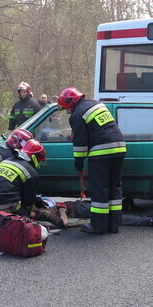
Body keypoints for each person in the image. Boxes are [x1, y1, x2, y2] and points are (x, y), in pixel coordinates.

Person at [58, 87, 126, 234]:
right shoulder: (97, 104)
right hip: (119, 147)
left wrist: (78, 165)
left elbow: (80, 145)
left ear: (70, 103)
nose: (67, 111)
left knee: (100, 188)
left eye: (65, 108)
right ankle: (114, 224)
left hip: (102, 151)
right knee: (114, 187)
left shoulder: (77, 114)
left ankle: (99, 225)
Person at [0, 139, 45, 216]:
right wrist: (30, 212)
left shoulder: (6, 161)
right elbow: (27, 203)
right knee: (28, 218)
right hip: (4, 207)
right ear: (35, 158)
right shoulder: (31, 173)